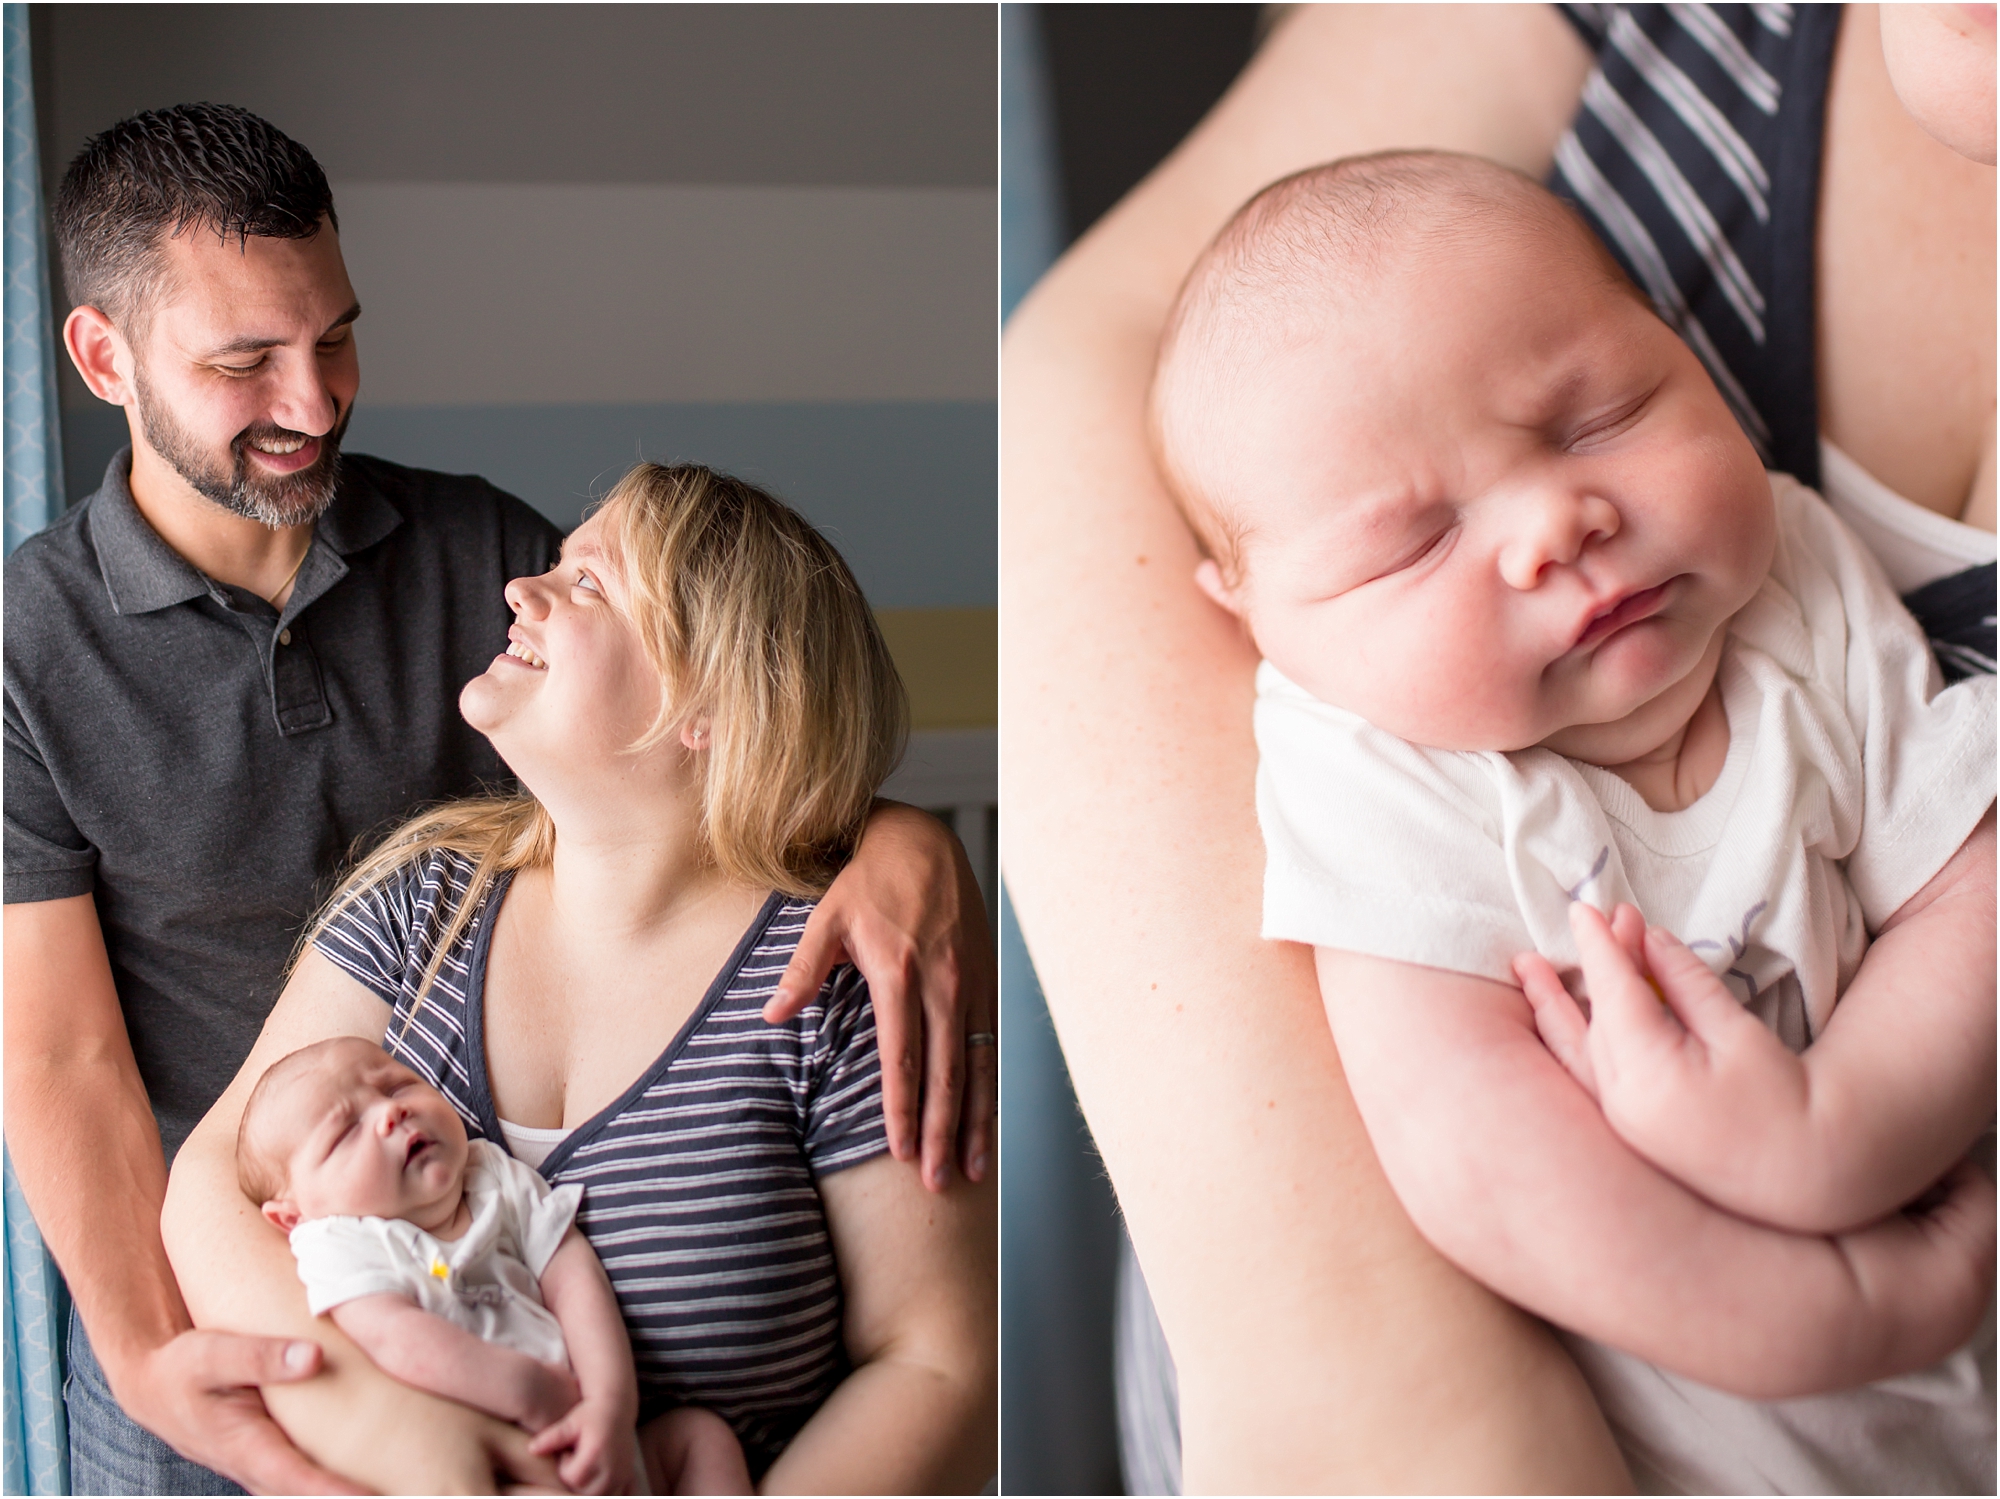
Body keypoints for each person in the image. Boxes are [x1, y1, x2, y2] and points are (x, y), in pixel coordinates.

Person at [1000, 5, 1991, 1490]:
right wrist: (1817, 1308)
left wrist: (1836, 1131)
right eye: (1413, 542)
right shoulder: (1369, 758)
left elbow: (1968, 874)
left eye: (1603, 416)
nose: (1552, 523)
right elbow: (1473, 1141)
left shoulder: (1795, 573)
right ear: (1257, 614)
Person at [5, 102, 992, 1496]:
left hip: (482, 1253)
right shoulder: (26, 649)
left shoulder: (478, 549)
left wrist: (910, 840)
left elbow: (723, 724)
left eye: (335, 334)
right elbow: (59, 1062)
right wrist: (146, 1353)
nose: (315, 398)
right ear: (104, 356)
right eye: (246, 362)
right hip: (226, 1313)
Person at [164, 461, 998, 1494]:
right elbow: (210, 1188)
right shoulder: (418, 905)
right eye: (554, 562)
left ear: (707, 702)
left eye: (590, 583)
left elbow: (935, 1363)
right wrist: (396, 1432)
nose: (524, 589)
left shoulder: (837, 972)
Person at [235, 1037, 689, 1495]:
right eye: (345, 1131)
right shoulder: (340, 1241)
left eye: (397, 1087)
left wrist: (609, 1401)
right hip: (507, 1458)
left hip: (595, 1424)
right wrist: (521, 1388)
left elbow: (573, 1277)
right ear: (293, 1217)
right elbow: (395, 1335)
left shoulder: (489, 1171)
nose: (390, 1113)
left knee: (695, 1438)